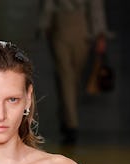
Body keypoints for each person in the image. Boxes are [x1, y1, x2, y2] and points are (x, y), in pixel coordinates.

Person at [38, 0, 110, 143]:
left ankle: (67, 115)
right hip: (61, 25)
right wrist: (46, 23)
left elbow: (95, 7)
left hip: (80, 26)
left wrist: (100, 33)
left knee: (72, 77)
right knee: (66, 75)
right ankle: (71, 124)